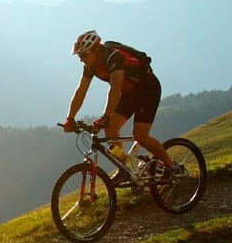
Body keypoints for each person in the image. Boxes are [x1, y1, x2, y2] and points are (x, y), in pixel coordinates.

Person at [62, 29, 175, 179]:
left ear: (95, 50)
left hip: (147, 89)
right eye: (79, 56)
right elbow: (81, 91)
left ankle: (171, 166)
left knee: (140, 135)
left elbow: (115, 88)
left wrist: (106, 115)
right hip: (129, 92)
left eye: (83, 55)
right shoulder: (90, 65)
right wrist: (70, 118)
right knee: (110, 130)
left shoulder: (113, 58)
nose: (81, 59)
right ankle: (125, 168)